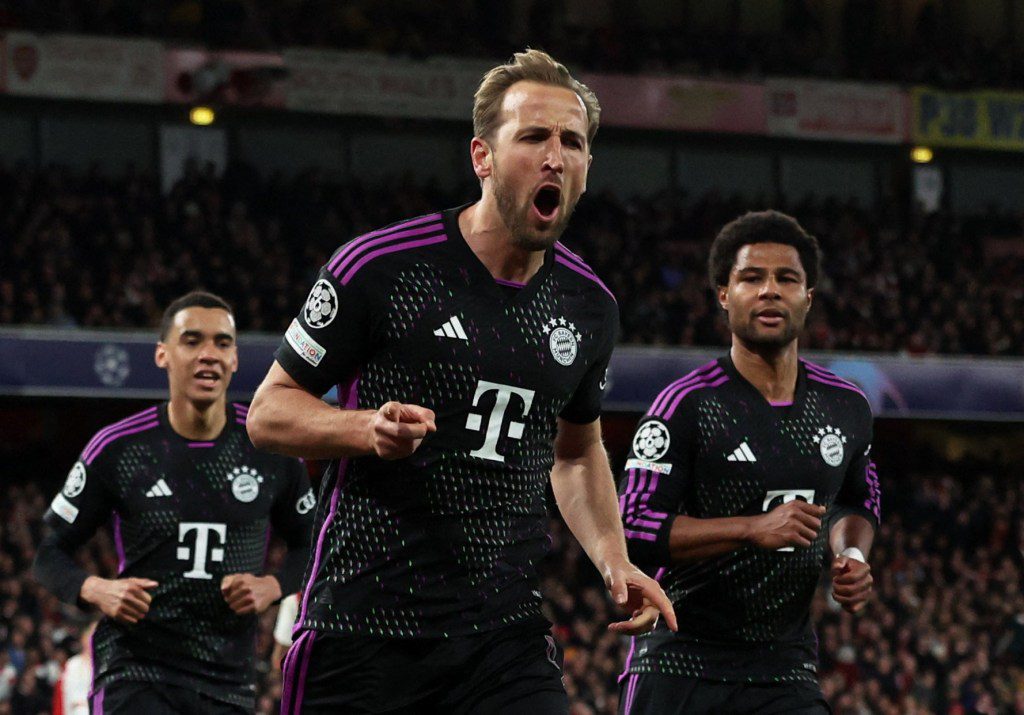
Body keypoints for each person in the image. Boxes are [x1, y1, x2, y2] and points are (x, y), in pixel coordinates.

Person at [247, 48, 676, 713]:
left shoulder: (591, 306)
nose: (555, 156)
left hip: (501, 638)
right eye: (534, 136)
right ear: (482, 156)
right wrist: (362, 428)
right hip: (362, 630)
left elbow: (577, 449)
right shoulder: (381, 267)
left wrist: (614, 559)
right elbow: (268, 412)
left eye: (573, 142)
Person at [617, 210, 880, 714]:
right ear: (723, 295)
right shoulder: (685, 405)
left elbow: (858, 499)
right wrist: (751, 528)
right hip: (680, 663)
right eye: (751, 277)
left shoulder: (847, 406)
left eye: (787, 278)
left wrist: (852, 555)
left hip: (785, 669)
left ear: (809, 296)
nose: (769, 291)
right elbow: (631, 527)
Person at [33, 291, 316, 714]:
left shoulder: (269, 450)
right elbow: (49, 554)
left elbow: (313, 546)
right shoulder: (118, 447)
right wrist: (96, 589)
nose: (209, 354)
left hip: (229, 680)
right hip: (136, 670)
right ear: (162, 355)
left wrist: (273, 586)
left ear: (235, 359)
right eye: (192, 340)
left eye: (222, 343)